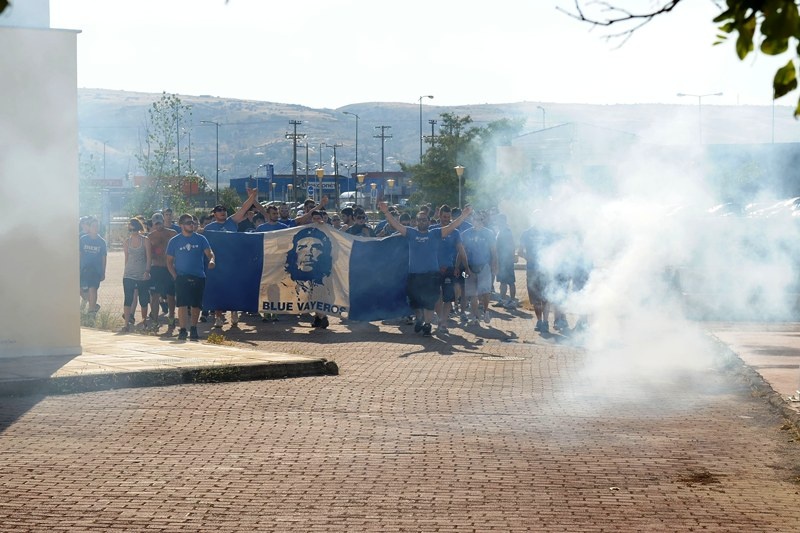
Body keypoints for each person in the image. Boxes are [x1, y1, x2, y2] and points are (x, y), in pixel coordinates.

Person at [378, 201, 472, 337]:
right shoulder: (410, 233)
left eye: (424, 219)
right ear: (416, 222)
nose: (422, 222)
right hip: (414, 274)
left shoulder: (435, 233)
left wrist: (463, 215)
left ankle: (427, 324)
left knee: (429, 301)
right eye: (419, 220)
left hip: (431, 275)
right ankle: (420, 319)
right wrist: (386, 211)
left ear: (429, 221)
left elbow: (452, 226)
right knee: (415, 302)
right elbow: (396, 225)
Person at [166, 213, 215, 341]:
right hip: (181, 276)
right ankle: (182, 330)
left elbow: (210, 253)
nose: (191, 225)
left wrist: (212, 260)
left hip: (198, 276)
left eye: (193, 222)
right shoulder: (174, 241)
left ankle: (193, 327)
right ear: (181, 225)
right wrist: (175, 276)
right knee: (182, 304)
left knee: (196, 305)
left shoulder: (200, 239)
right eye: (188, 223)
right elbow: (169, 261)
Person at [430, 205, 468, 334]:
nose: (446, 219)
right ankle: (440, 318)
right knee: (436, 296)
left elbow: (461, 250)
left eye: (448, 217)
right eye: (444, 216)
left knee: (448, 298)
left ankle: (443, 322)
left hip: (449, 269)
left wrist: (465, 267)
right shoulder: (432, 230)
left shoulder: (455, 232)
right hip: (434, 269)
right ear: (439, 216)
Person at [461, 210, 497, 325]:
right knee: (473, 294)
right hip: (470, 267)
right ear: (472, 220)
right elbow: (463, 251)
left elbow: (493, 251)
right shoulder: (466, 233)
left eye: (480, 220)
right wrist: (464, 267)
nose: (478, 222)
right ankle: (475, 316)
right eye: (476, 219)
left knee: (486, 291)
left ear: (483, 221)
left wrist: (495, 265)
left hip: (484, 266)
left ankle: (486, 311)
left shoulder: (489, 233)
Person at [147, 212, 178, 327]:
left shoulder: (172, 233)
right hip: (156, 268)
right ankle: (155, 320)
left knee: (170, 295)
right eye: (156, 224)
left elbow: (177, 250)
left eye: (160, 223)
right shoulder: (150, 236)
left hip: (169, 268)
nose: (158, 226)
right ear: (153, 224)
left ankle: (171, 316)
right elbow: (148, 254)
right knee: (155, 295)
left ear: (163, 222)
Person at [121, 218, 152, 332]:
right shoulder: (127, 242)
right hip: (129, 274)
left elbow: (149, 257)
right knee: (128, 298)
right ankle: (126, 324)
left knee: (143, 299)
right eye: (130, 230)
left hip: (142, 273)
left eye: (134, 229)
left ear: (139, 229)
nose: (132, 232)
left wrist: (147, 271)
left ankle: (144, 321)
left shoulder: (145, 240)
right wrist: (125, 272)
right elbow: (126, 258)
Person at [79, 216, 107, 322]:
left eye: (97, 226)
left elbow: (104, 258)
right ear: (89, 227)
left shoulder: (101, 242)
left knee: (92, 288)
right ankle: (93, 304)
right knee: (79, 289)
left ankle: (91, 313)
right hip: (84, 269)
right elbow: (80, 254)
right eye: (93, 226)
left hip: (95, 270)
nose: (95, 228)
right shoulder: (83, 239)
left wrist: (103, 272)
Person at [494, 213, 518, 309]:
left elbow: (512, 246)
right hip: (501, 260)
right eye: (498, 220)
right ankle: (502, 300)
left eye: (500, 220)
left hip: (507, 261)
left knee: (510, 282)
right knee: (502, 282)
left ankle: (512, 301)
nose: (498, 222)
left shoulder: (507, 231)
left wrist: (511, 257)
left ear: (504, 221)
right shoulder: (500, 231)